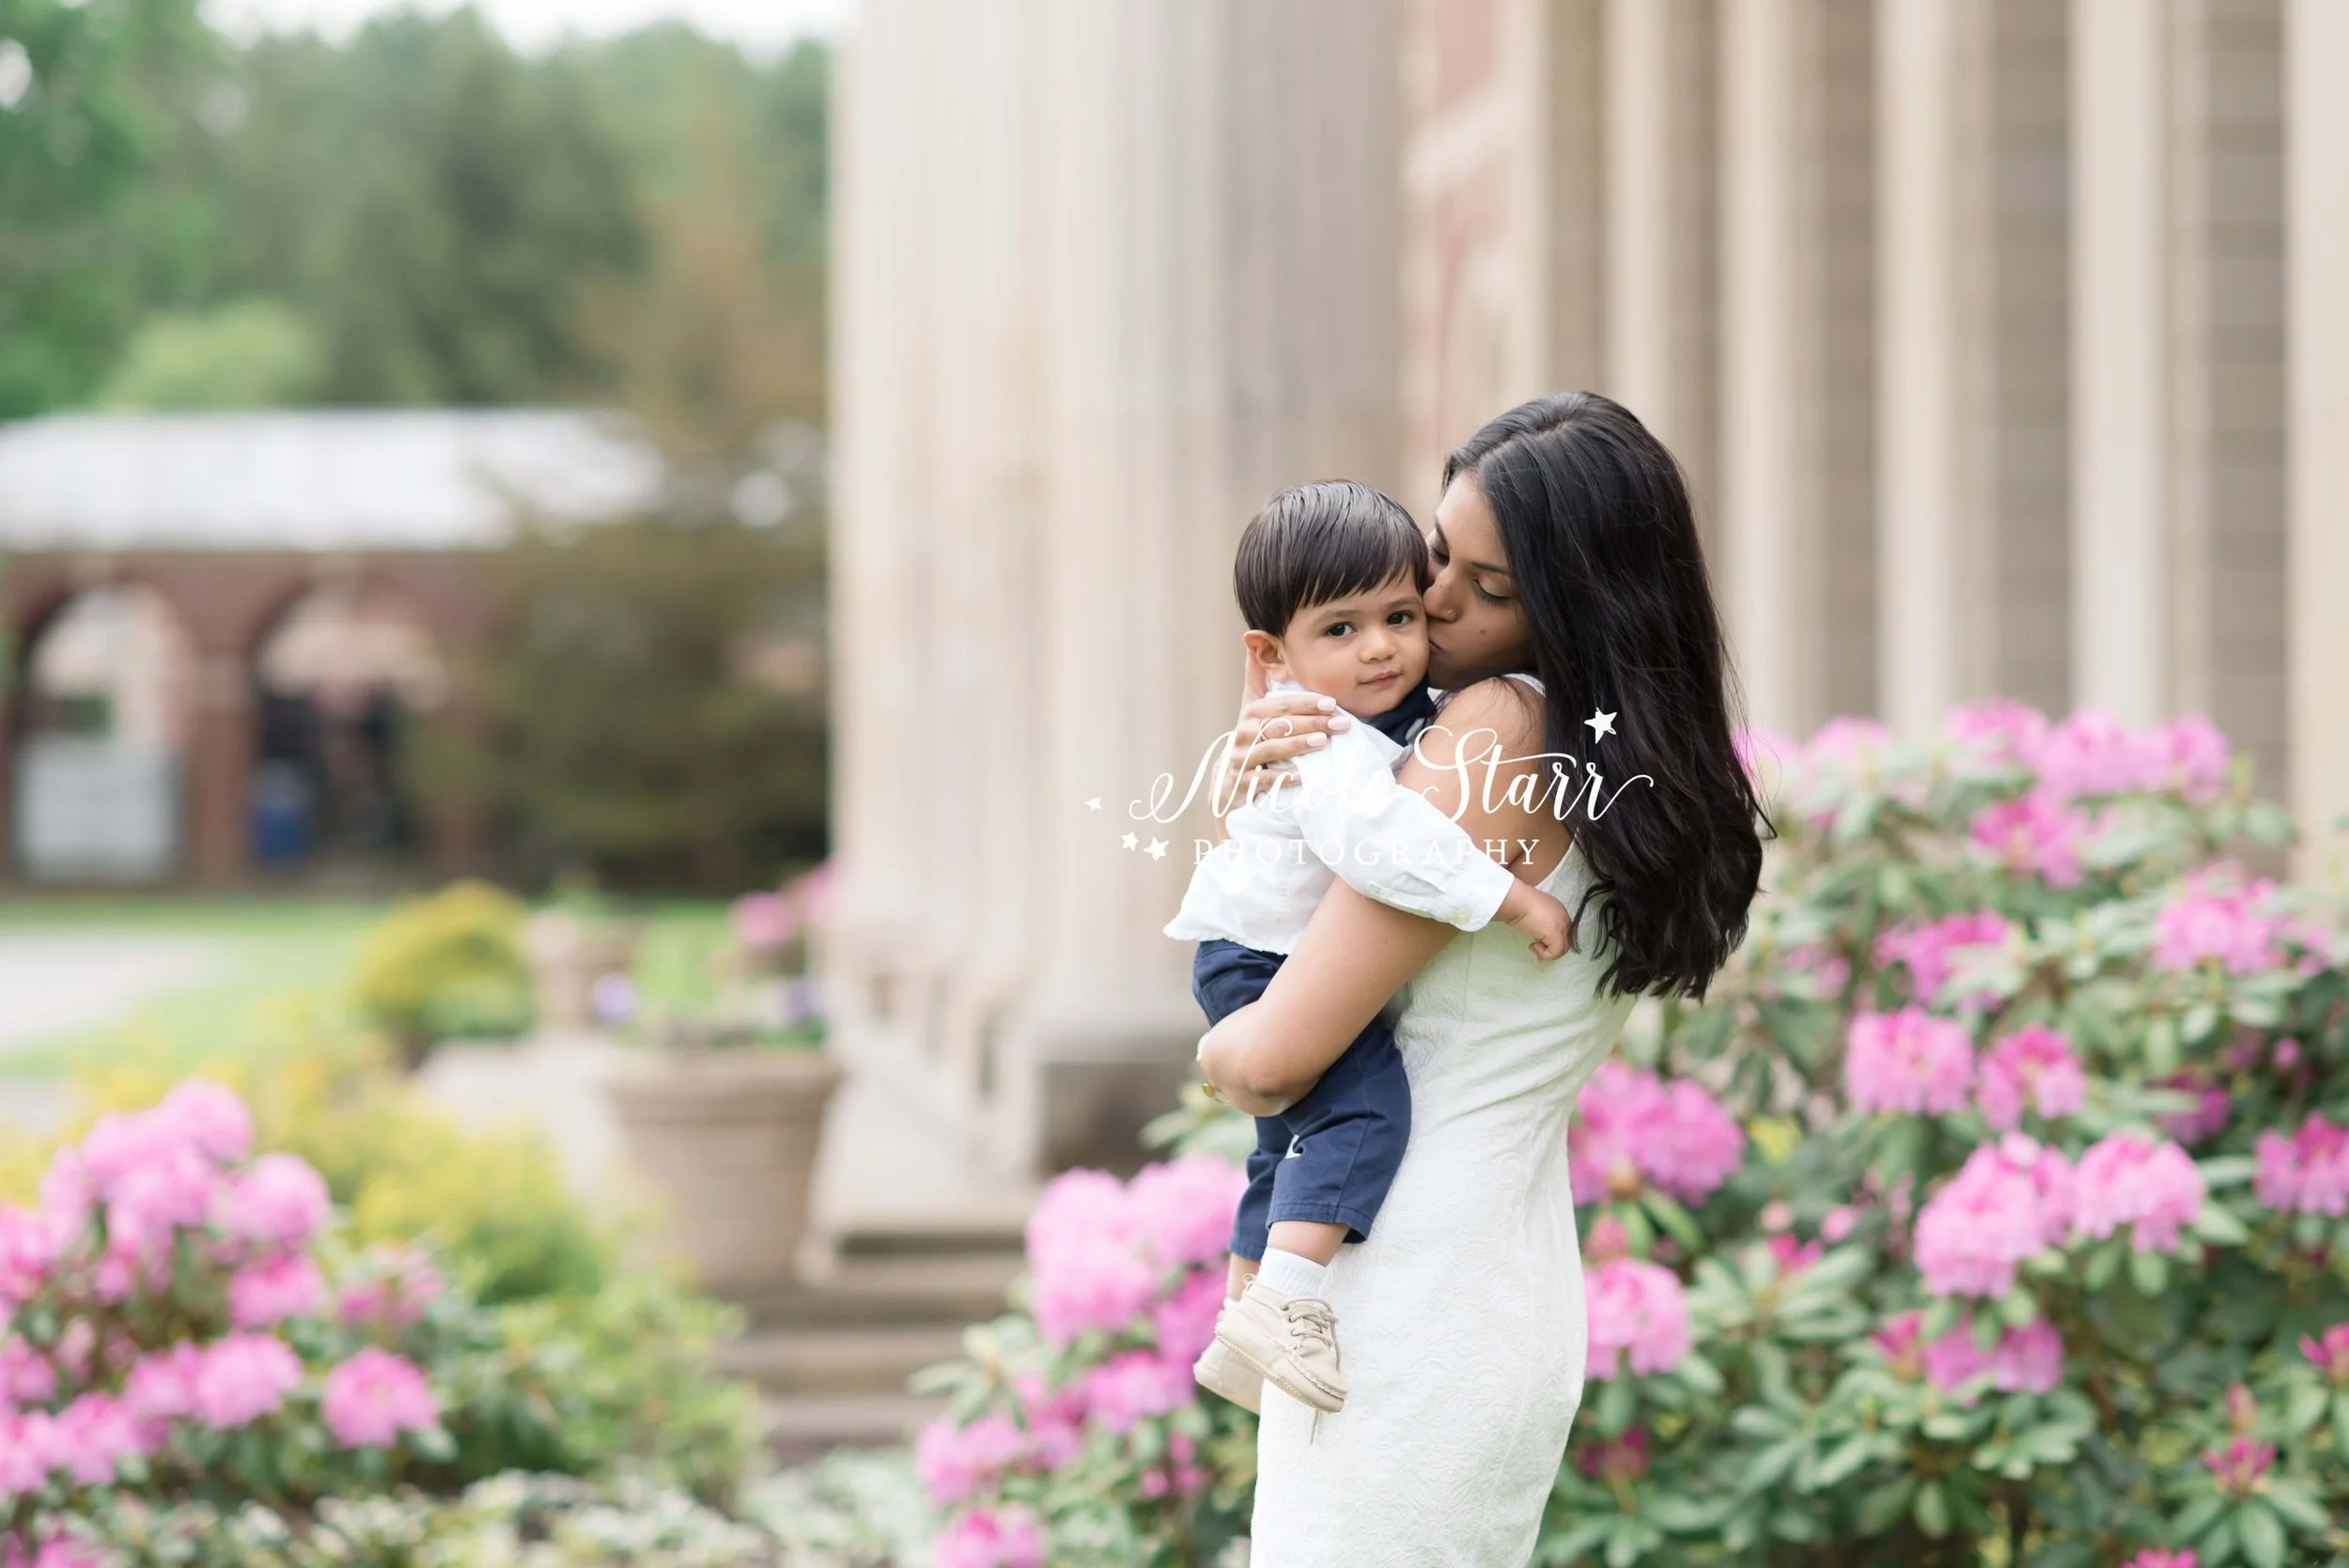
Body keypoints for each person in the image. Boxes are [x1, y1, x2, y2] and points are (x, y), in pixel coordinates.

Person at [1196, 394, 1765, 1565]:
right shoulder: (1616, 756)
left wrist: (1214, 1048)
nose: (1435, 600)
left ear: (1575, 602)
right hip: (1496, 1276)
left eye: (1489, 587)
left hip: (1401, 1282)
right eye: (1441, 553)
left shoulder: (1495, 732)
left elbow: (1270, 1056)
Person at [1164, 479, 1572, 1417]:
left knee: (1286, 1144)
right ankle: (1283, 1303)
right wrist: (1509, 897)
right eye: (1343, 630)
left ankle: (1240, 1308)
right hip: (1262, 958)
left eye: (1397, 611)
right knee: (1360, 1115)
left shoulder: (1394, 715)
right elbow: (1387, 849)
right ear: (1275, 653)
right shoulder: (1329, 734)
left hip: (1251, 945)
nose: (1390, 640)